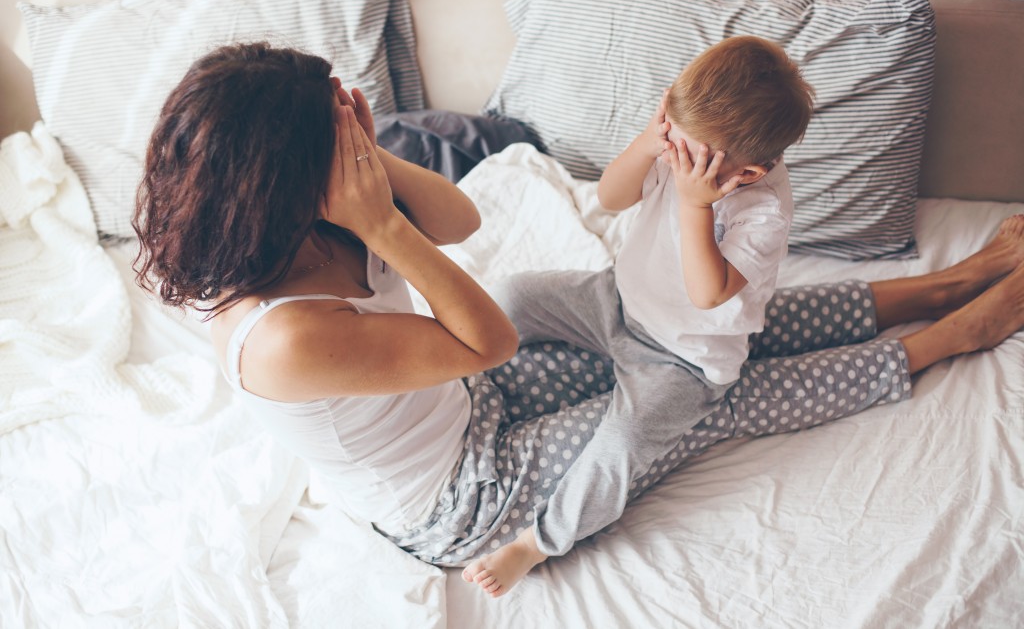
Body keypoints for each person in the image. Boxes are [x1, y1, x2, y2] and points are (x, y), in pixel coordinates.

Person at [132, 42, 1024, 602]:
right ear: (284, 178)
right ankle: (954, 332)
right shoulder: (279, 335)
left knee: (703, 348)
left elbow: (461, 223)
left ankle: (950, 280)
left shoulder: (309, 216)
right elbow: (491, 338)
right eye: (335, 132)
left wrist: (379, 171)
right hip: (465, 495)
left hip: (474, 400)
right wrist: (374, 223)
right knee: (699, 401)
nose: (353, 141)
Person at [463, 36, 814, 590]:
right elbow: (609, 196)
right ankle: (450, 355)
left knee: (620, 444)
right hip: (616, 300)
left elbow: (708, 292)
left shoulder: (762, 209)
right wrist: (649, 144)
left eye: (685, 151)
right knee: (511, 294)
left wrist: (696, 202)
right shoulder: (676, 146)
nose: (674, 153)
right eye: (672, 129)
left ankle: (536, 544)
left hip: (684, 358)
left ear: (747, 173)